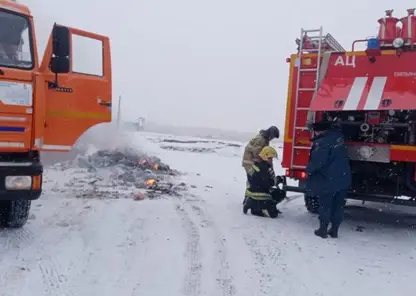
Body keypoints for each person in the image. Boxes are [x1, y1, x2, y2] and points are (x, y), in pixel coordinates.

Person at [305, 120, 352, 238]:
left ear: (319, 131)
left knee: (325, 205)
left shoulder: (322, 143)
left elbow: (318, 161)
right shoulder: (338, 137)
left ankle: (323, 229)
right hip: (343, 177)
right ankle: (334, 230)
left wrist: (308, 170)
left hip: (328, 179)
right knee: (338, 205)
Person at [243, 146, 285, 218]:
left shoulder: (257, 165)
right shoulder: (264, 168)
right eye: (270, 158)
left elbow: (260, 181)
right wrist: (278, 180)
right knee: (273, 214)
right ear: (265, 157)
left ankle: (256, 203)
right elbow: (269, 183)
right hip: (259, 194)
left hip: (254, 191)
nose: (271, 160)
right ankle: (255, 208)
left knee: (278, 193)